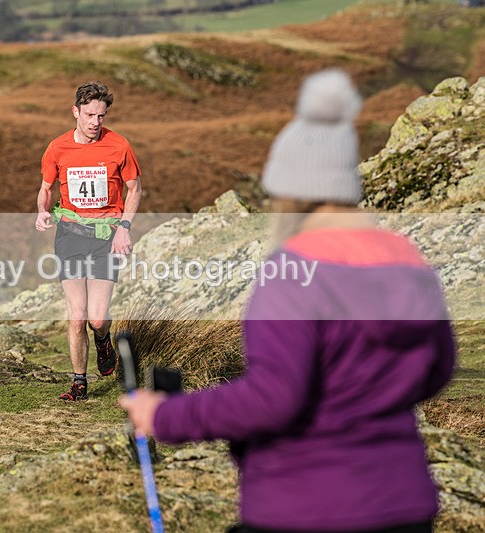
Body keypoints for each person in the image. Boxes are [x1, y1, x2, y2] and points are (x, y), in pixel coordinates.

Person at [119, 70, 456, 532]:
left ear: (292, 189)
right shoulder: (407, 262)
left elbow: (275, 397)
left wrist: (165, 414)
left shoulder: (293, 273)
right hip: (404, 503)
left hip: (306, 505)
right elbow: (438, 371)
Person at [35, 81, 142, 401]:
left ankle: (103, 338)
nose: (96, 122)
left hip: (105, 238)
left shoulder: (119, 146)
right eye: (90, 115)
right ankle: (79, 383)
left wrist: (124, 228)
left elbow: (134, 189)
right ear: (76, 112)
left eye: (101, 116)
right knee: (77, 315)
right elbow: (46, 188)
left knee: (97, 318)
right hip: (70, 236)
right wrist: (42, 211)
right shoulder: (57, 148)